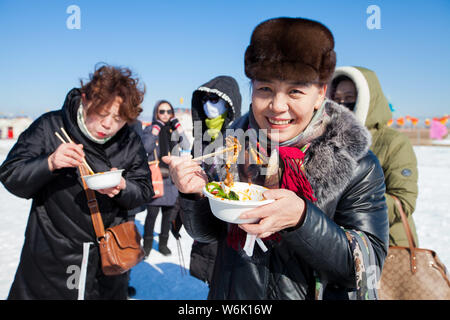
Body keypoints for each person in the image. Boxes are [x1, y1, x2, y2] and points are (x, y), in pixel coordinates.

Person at [164, 17, 389, 300]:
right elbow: (209, 235)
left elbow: (366, 267)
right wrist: (193, 195)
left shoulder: (355, 163)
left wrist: (303, 220)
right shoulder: (230, 150)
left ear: (320, 94)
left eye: (295, 91)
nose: (278, 107)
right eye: (265, 90)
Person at [0, 64, 154, 300]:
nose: (108, 125)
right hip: (52, 256)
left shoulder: (129, 140)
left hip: (107, 259)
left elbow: (144, 190)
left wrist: (122, 187)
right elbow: (11, 175)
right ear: (86, 99)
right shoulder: (50, 126)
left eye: (119, 118)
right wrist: (49, 163)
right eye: (103, 114)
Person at [328, 66, 419, 247]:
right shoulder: (329, 139)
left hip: (386, 243)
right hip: (340, 243)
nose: (342, 105)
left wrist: (351, 200)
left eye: (349, 98)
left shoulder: (393, 141)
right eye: (337, 99)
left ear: (366, 100)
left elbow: (404, 201)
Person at [189, 75, 241, 285]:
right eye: (204, 100)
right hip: (205, 217)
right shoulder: (199, 137)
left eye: (214, 99)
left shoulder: (242, 135)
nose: (208, 105)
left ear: (229, 102)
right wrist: (182, 207)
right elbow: (192, 177)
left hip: (234, 221)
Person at [141, 100, 190, 256]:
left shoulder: (173, 130)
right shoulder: (150, 129)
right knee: (151, 215)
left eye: (169, 112)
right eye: (162, 112)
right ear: (156, 113)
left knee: (168, 215)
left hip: (171, 178)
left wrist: (178, 126)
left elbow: (187, 145)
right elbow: (145, 148)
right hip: (156, 178)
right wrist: (155, 131)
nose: (165, 115)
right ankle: (147, 245)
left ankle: (163, 244)